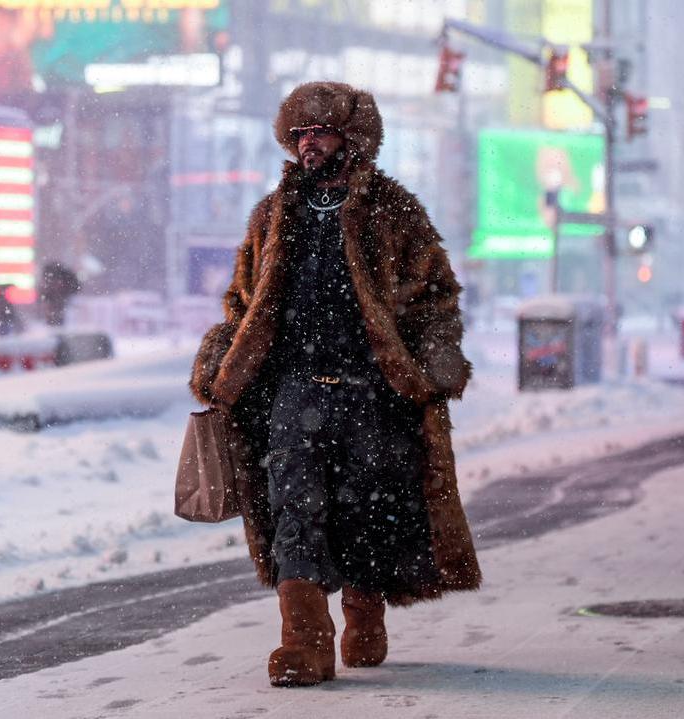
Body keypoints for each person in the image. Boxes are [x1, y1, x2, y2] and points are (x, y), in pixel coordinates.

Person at [189, 82, 481, 688]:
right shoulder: (273, 214)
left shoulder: (395, 209)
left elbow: (434, 298)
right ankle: (305, 641)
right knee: (294, 509)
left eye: (319, 132)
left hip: (371, 391)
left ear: (354, 138)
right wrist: (221, 358)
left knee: (365, 511)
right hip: (293, 391)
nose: (308, 145)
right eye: (298, 135)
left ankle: (363, 615)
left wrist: (434, 360)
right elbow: (243, 300)